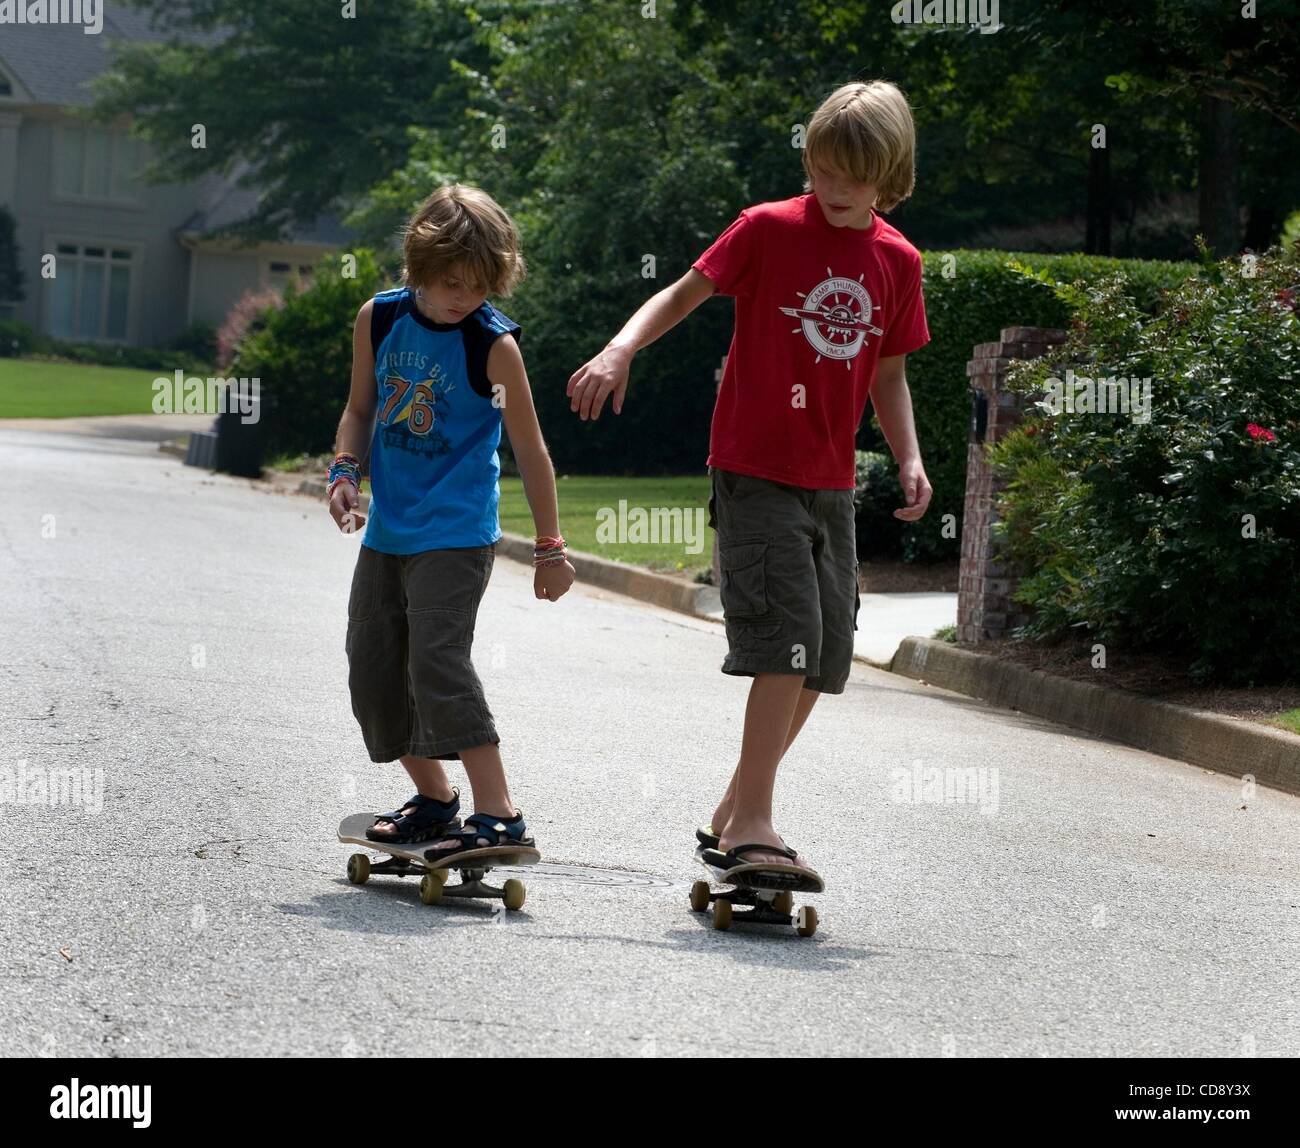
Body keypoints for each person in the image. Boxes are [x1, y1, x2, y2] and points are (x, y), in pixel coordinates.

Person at [567, 81, 932, 874]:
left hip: (830, 480)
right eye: (822, 169)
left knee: (828, 656)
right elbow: (683, 291)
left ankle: (735, 805)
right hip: (754, 468)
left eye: (852, 177)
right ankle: (754, 822)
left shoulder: (898, 260)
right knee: (786, 642)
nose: (833, 189)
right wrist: (621, 348)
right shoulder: (767, 229)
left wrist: (908, 454)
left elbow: (889, 372)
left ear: (889, 174)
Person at [329, 183, 575, 858]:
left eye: (478, 284)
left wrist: (551, 549)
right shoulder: (378, 320)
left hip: (459, 533)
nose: (463, 296)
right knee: (373, 667)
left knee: (437, 660)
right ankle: (436, 799)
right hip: (388, 532)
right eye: (450, 282)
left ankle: (500, 812)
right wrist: (345, 471)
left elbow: (531, 450)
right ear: (417, 265)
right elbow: (359, 408)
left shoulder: (492, 347)